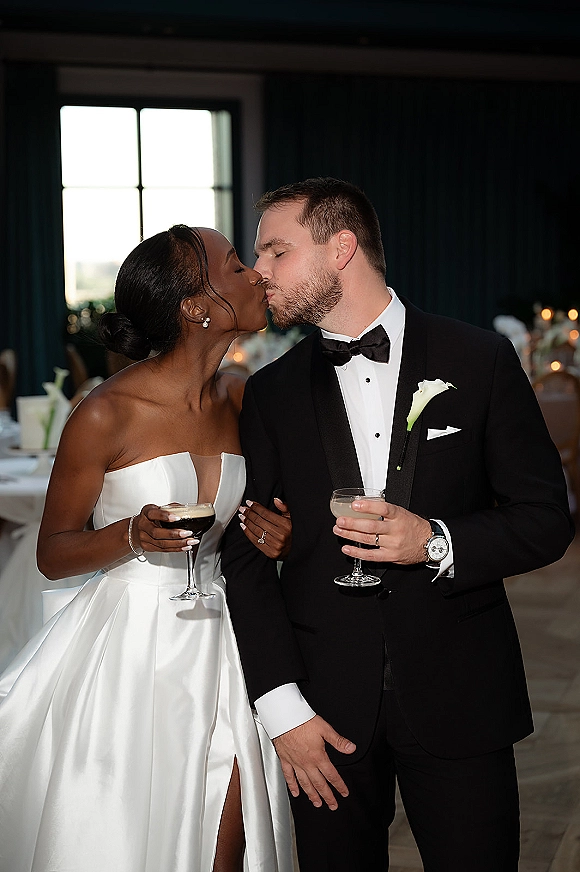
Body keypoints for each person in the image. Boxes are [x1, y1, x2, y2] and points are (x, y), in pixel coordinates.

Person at [221, 178, 575, 871]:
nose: (258, 270)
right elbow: (244, 555)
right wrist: (281, 707)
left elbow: (545, 518)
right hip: (320, 711)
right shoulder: (269, 392)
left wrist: (436, 542)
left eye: (276, 250)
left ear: (341, 248)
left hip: (463, 691)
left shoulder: (479, 362)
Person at [0, 225, 294, 872]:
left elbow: (260, 516)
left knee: (233, 829)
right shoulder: (107, 413)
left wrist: (275, 534)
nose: (256, 275)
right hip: (135, 651)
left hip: (233, 636)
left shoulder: (243, 399)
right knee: (128, 831)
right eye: (237, 265)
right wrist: (130, 534)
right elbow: (53, 552)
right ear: (196, 307)